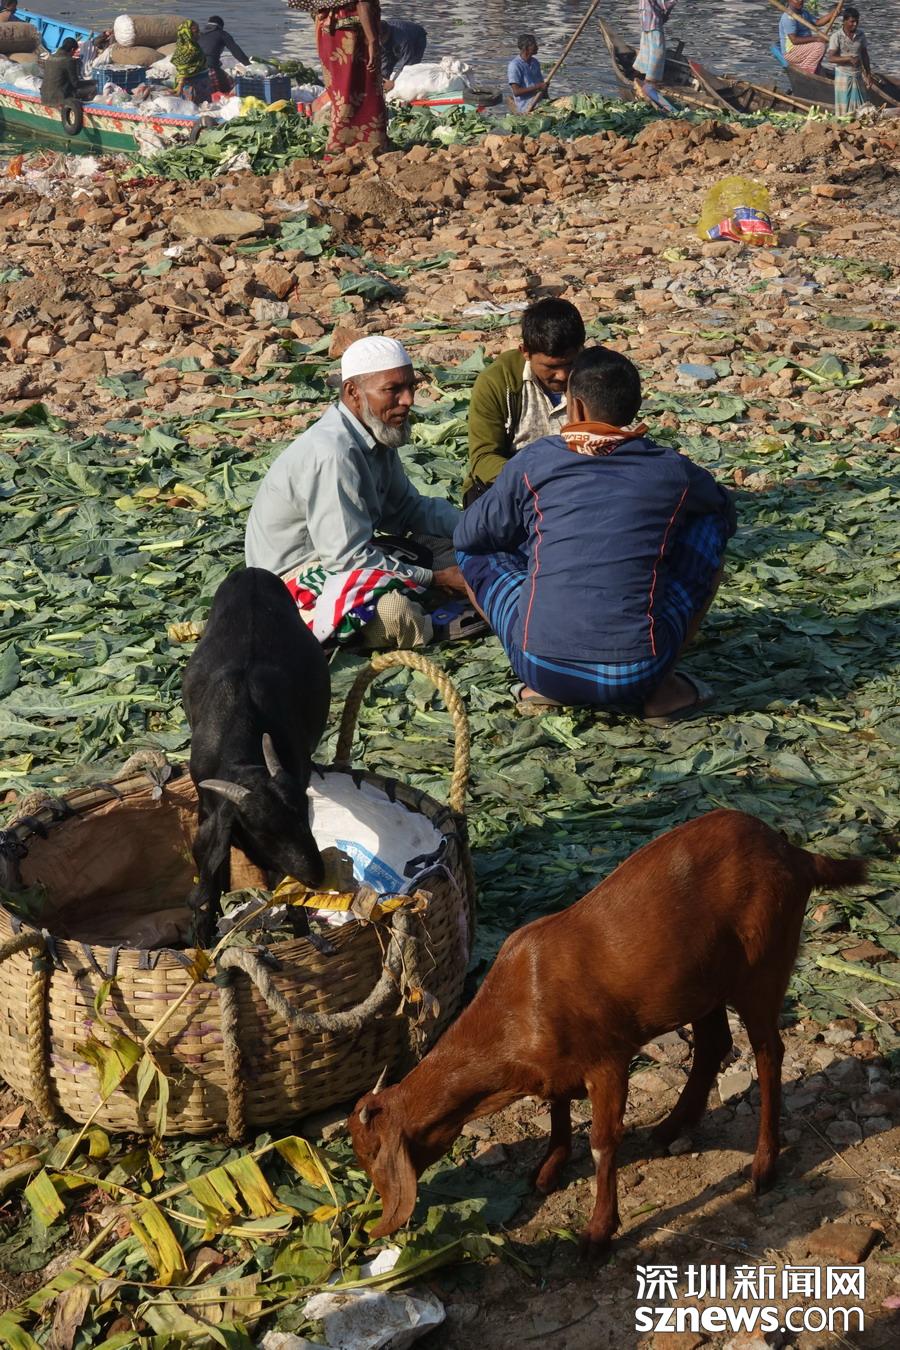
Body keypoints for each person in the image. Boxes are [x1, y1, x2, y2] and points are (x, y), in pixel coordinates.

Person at [454, 346, 736, 719]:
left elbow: (468, 536)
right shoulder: (673, 471)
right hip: (637, 671)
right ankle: (662, 688)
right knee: (709, 524)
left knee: (473, 549)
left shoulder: (535, 461)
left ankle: (545, 684)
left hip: (538, 665)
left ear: (576, 407)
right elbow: (724, 511)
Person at [245, 336, 468, 648]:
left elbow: (407, 509)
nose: (407, 400)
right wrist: (436, 579)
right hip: (294, 581)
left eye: (411, 387)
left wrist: (473, 527)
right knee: (395, 611)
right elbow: (347, 559)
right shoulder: (333, 454)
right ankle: (434, 624)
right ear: (353, 392)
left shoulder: (378, 432)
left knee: (453, 546)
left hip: (344, 556)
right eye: (393, 390)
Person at [464, 298, 586, 507]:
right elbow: (483, 459)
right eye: (551, 367)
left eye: (570, 363)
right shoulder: (497, 382)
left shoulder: (597, 376)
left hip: (581, 486)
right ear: (525, 352)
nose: (563, 375)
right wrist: (541, 482)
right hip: (515, 489)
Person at [288, 0, 388, 156]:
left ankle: (339, 146)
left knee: (341, 92)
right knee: (364, 90)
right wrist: (372, 40)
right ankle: (368, 145)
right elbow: (363, 3)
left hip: (329, 29)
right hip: (353, 33)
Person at [779, 0, 844, 76]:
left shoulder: (804, 13)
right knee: (820, 46)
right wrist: (816, 39)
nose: (800, 1)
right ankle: (806, 70)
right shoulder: (788, 17)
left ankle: (813, 67)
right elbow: (794, 40)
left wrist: (832, 13)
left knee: (823, 45)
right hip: (791, 52)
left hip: (803, 49)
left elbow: (818, 22)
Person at [826, 6, 871, 114]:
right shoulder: (837, 36)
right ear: (844, 21)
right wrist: (848, 59)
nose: (855, 24)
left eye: (857, 21)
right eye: (852, 22)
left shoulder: (861, 35)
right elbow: (831, 58)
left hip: (857, 75)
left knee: (862, 108)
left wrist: (868, 73)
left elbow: (865, 55)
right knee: (844, 109)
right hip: (843, 75)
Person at [633, 0, 677, 106]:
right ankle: (650, 82)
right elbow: (664, 4)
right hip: (652, 22)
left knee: (647, 48)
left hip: (647, 20)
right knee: (657, 52)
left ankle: (640, 73)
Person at [198, 16, 250, 95]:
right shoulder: (222, 34)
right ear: (221, 26)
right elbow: (236, 51)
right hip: (210, 70)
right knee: (231, 87)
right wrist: (249, 65)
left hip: (194, 72)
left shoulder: (198, 34)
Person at [40, 37, 96, 107]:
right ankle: (81, 105)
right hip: (60, 98)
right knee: (93, 88)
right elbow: (75, 83)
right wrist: (92, 82)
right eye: (74, 51)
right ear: (72, 49)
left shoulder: (50, 58)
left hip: (44, 96)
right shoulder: (69, 60)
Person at [172, 19, 212, 103]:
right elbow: (184, 70)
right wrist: (179, 88)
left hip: (201, 83)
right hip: (194, 85)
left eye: (198, 31)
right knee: (194, 105)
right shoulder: (190, 50)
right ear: (187, 33)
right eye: (196, 32)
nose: (199, 34)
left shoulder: (190, 46)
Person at [381, 17, 427, 90]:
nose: (379, 42)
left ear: (387, 34)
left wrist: (394, 82)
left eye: (381, 39)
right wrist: (383, 79)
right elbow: (384, 59)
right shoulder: (379, 35)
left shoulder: (403, 40)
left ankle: (409, 88)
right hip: (394, 36)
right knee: (387, 60)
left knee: (411, 68)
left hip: (417, 37)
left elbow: (408, 63)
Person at [507, 33, 548, 113]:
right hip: (526, 107)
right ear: (526, 48)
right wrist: (538, 87)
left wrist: (547, 99)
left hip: (540, 104)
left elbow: (542, 85)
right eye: (534, 45)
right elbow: (516, 92)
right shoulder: (515, 65)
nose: (537, 47)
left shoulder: (535, 62)